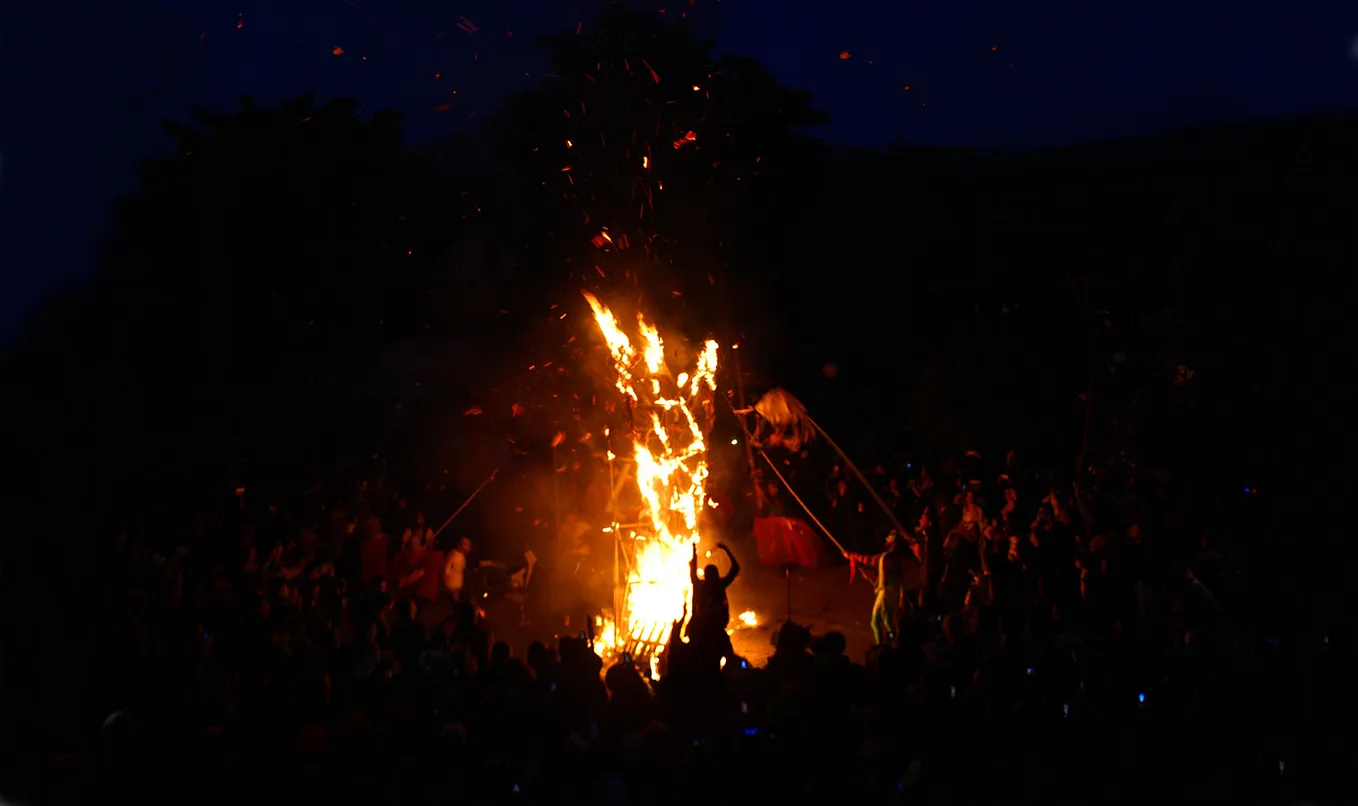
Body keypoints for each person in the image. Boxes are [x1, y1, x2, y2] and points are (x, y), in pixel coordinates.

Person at [844, 530, 919, 646]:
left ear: (894, 541)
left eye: (889, 537)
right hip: (894, 592)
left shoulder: (887, 558)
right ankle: (895, 640)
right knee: (887, 620)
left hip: (885, 593)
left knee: (875, 621)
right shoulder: (898, 558)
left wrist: (852, 556)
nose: (886, 538)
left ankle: (881, 646)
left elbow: (869, 560)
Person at [688, 542, 740, 662]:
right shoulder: (717, 584)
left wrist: (694, 551)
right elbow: (735, 568)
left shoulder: (708, 585)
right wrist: (726, 550)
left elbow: (693, 569)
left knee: (717, 657)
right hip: (708, 631)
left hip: (711, 631)